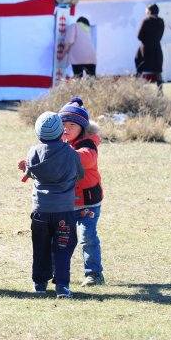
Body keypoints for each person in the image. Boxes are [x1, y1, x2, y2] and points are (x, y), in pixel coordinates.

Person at [18, 111, 84, 298]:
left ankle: (39, 283)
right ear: (60, 131)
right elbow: (80, 175)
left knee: (40, 247)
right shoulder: (71, 154)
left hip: (40, 211)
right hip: (64, 211)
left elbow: (30, 173)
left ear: (38, 133)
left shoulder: (33, 152)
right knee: (63, 249)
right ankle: (62, 286)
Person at [59, 98, 105, 287]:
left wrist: (63, 152)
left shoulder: (88, 143)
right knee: (63, 239)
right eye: (63, 124)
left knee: (87, 236)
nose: (67, 128)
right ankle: (59, 273)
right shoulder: (57, 143)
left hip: (88, 202)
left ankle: (94, 274)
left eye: (72, 125)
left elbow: (86, 159)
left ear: (82, 128)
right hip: (66, 202)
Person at [135, 3, 165, 90]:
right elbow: (160, 35)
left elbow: (139, 36)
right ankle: (160, 92)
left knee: (140, 68)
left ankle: (137, 91)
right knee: (158, 70)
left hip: (145, 49)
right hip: (156, 48)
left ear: (149, 11)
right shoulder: (161, 21)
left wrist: (147, 40)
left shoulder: (146, 21)